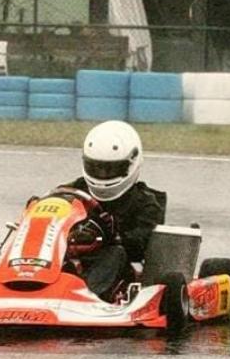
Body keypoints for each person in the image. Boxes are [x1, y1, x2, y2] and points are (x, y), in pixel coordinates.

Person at [61, 120, 165, 301]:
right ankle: (25, 285)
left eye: (110, 169)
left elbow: (139, 245)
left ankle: (86, 297)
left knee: (116, 253)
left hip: (119, 268)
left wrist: (113, 235)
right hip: (70, 257)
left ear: (131, 165)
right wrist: (38, 207)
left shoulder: (146, 203)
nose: (102, 175)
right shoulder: (73, 190)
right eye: (96, 167)